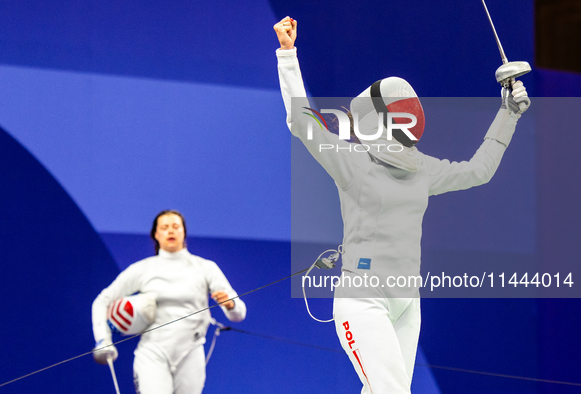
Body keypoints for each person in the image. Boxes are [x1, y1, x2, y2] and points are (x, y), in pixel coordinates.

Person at [273, 16, 530, 394]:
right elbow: (301, 121)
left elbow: (480, 171)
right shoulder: (352, 161)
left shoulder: (422, 168)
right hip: (362, 300)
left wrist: (508, 113)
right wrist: (287, 54)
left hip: (408, 302)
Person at [91, 210, 246, 394]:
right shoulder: (144, 268)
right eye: (164, 228)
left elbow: (239, 313)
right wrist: (103, 339)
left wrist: (230, 304)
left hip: (191, 353)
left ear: (184, 232)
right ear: (156, 234)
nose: (170, 231)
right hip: (152, 354)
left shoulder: (205, 267)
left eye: (175, 227)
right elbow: (102, 301)